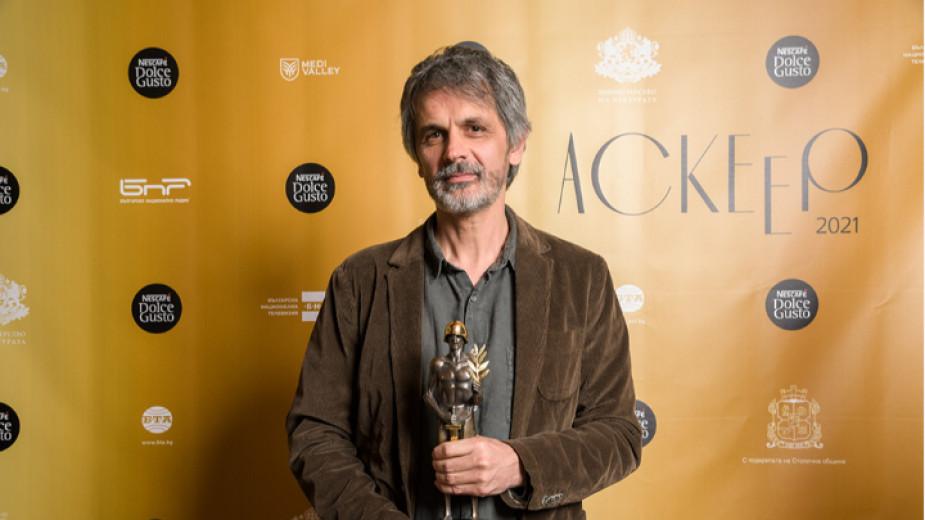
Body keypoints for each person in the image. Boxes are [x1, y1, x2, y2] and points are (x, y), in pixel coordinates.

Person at [287, 42, 641, 520]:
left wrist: (519, 464)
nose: (454, 151)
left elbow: (618, 435)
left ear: (516, 144)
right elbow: (315, 432)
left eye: (475, 128)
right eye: (434, 134)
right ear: (418, 158)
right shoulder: (359, 282)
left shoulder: (582, 279)